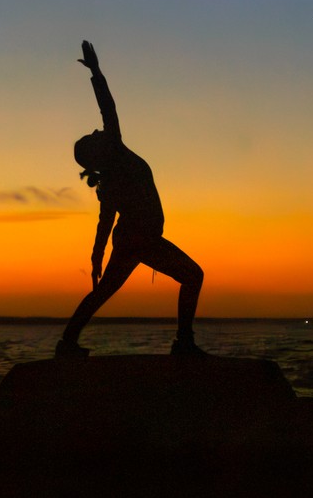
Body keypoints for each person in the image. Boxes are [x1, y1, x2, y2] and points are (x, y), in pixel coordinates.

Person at [56, 40, 206, 359]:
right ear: (97, 151)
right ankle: (184, 343)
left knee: (103, 293)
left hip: (129, 240)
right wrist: (96, 71)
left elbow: (105, 221)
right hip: (140, 239)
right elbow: (107, 106)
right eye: (93, 136)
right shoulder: (117, 154)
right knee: (193, 276)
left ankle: (67, 343)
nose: (98, 131)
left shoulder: (110, 177)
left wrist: (98, 255)